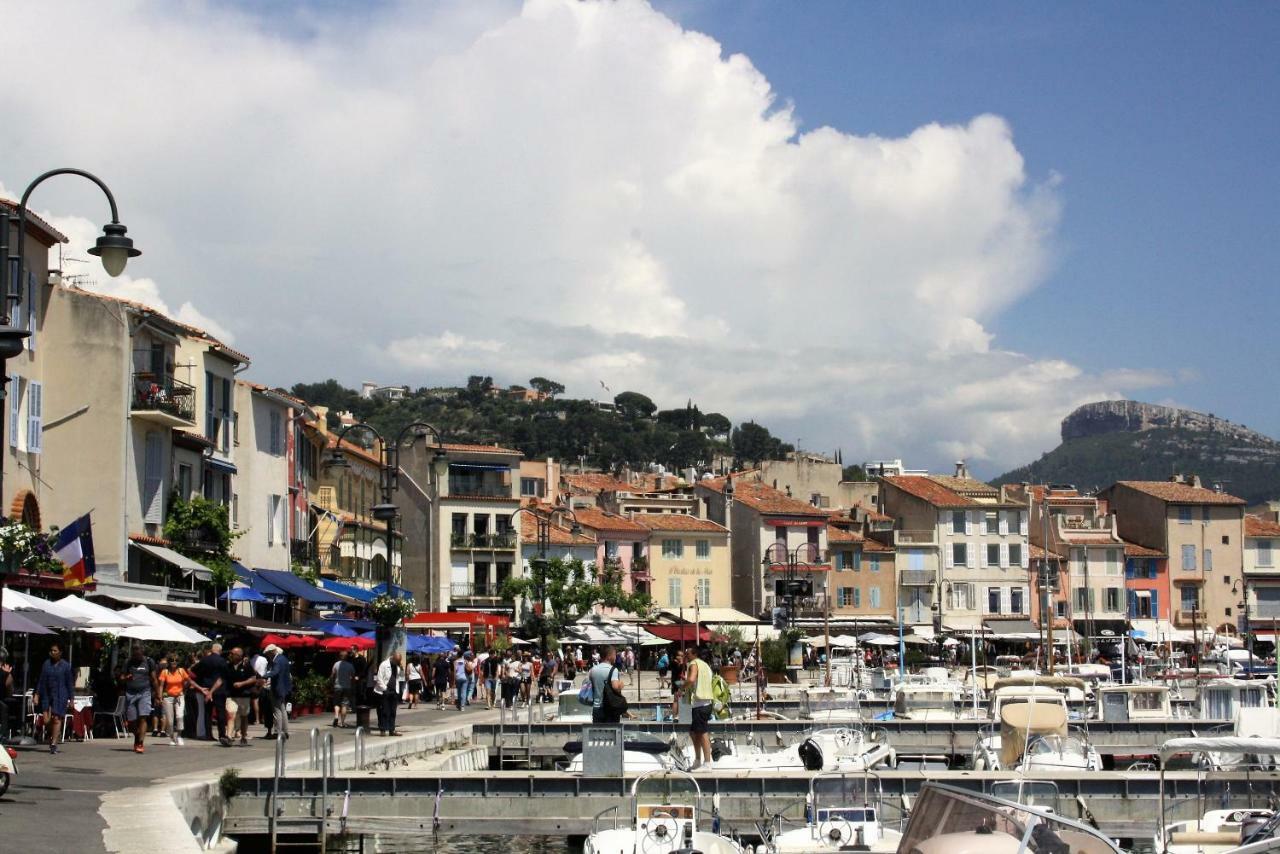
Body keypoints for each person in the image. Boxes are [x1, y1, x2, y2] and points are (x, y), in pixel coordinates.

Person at [674, 646, 713, 770]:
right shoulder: (705, 665)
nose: (685, 655)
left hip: (700, 703)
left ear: (694, 654)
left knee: (702, 733)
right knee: (693, 732)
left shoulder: (694, 663)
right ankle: (697, 760)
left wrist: (681, 688)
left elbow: (691, 679)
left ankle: (707, 763)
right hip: (704, 702)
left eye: (687, 653)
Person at [119, 644, 160, 754]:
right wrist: (126, 678)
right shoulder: (128, 662)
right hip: (130, 693)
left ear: (142, 652)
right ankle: (137, 735)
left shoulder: (149, 662)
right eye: (134, 654)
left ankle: (140, 743)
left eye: (138, 654)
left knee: (143, 717)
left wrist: (158, 695)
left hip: (144, 692)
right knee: (132, 721)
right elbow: (121, 678)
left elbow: (154, 679)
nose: (136, 656)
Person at [35, 643, 74, 754]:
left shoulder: (66, 666)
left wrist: (71, 699)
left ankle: (53, 744)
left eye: (55, 650)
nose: (52, 652)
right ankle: (53, 733)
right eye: (51, 650)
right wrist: (36, 694)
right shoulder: (46, 664)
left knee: (57, 718)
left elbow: (69, 683)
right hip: (47, 693)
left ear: (60, 652)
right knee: (46, 720)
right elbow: (41, 680)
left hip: (60, 694)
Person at [192, 643, 231, 745]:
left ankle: (208, 734)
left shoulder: (204, 660)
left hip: (206, 688)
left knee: (207, 712)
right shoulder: (222, 661)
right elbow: (226, 675)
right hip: (219, 689)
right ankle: (222, 734)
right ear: (220, 650)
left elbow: (194, 671)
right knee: (220, 712)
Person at [222, 647, 258, 747]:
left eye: (232, 653)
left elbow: (253, 678)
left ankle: (243, 736)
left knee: (243, 717)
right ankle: (228, 737)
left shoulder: (246, 666)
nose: (230, 655)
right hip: (231, 695)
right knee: (230, 715)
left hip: (244, 695)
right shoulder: (228, 666)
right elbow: (222, 679)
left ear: (238, 655)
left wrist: (242, 684)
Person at [157, 653, 195, 746]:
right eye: (172, 660)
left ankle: (179, 736)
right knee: (170, 720)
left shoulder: (181, 671)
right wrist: (159, 697)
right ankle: (172, 738)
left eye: (176, 660)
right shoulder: (164, 672)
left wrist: (195, 687)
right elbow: (161, 685)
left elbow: (189, 681)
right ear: (169, 662)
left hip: (179, 697)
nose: (174, 662)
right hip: (168, 697)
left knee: (180, 716)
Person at [588, 646, 625, 725]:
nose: (616, 657)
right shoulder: (613, 670)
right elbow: (615, 687)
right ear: (609, 656)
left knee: (598, 733)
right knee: (611, 734)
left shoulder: (593, 670)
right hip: (610, 708)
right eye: (614, 655)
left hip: (596, 708)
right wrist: (621, 685)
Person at [264, 645, 291, 740]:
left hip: (277, 688)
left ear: (271, 652)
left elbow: (275, 672)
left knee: (277, 711)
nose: (268, 656)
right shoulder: (284, 659)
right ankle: (285, 731)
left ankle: (278, 732)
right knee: (283, 710)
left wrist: (265, 675)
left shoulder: (277, 661)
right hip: (284, 688)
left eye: (267, 654)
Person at [373, 651, 403, 736]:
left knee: (393, 711)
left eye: (399, 661)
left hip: (394, 691)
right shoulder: (384, 665)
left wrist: (401, 669)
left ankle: (391, 730)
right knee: (384, 711)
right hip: (384, 691)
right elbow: (379, 679)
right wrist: (385, 689)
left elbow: (400, 677)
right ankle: (382, 729)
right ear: (392, 658)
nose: (398, 663)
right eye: (397, 661)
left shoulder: (397, 666)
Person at [331, 649, 355, 727]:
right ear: (346, 657)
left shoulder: (336, 664)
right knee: (344, 704)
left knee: (336, 703)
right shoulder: (350, 665)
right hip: (347, 687)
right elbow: (353, 676)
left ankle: (336, 716)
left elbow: (332, 675)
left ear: (339, 656)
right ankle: (342, 723)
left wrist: (332, 682)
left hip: (337, 686)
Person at [250, 647, 270, 735]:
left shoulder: (251, 660)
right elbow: (266, 669)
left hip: (255, 679)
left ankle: (257, 719)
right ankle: (263, 718)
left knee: (255, 700)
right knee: (264, 700)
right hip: (263, 679)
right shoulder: (264, 659)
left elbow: (252, 670)